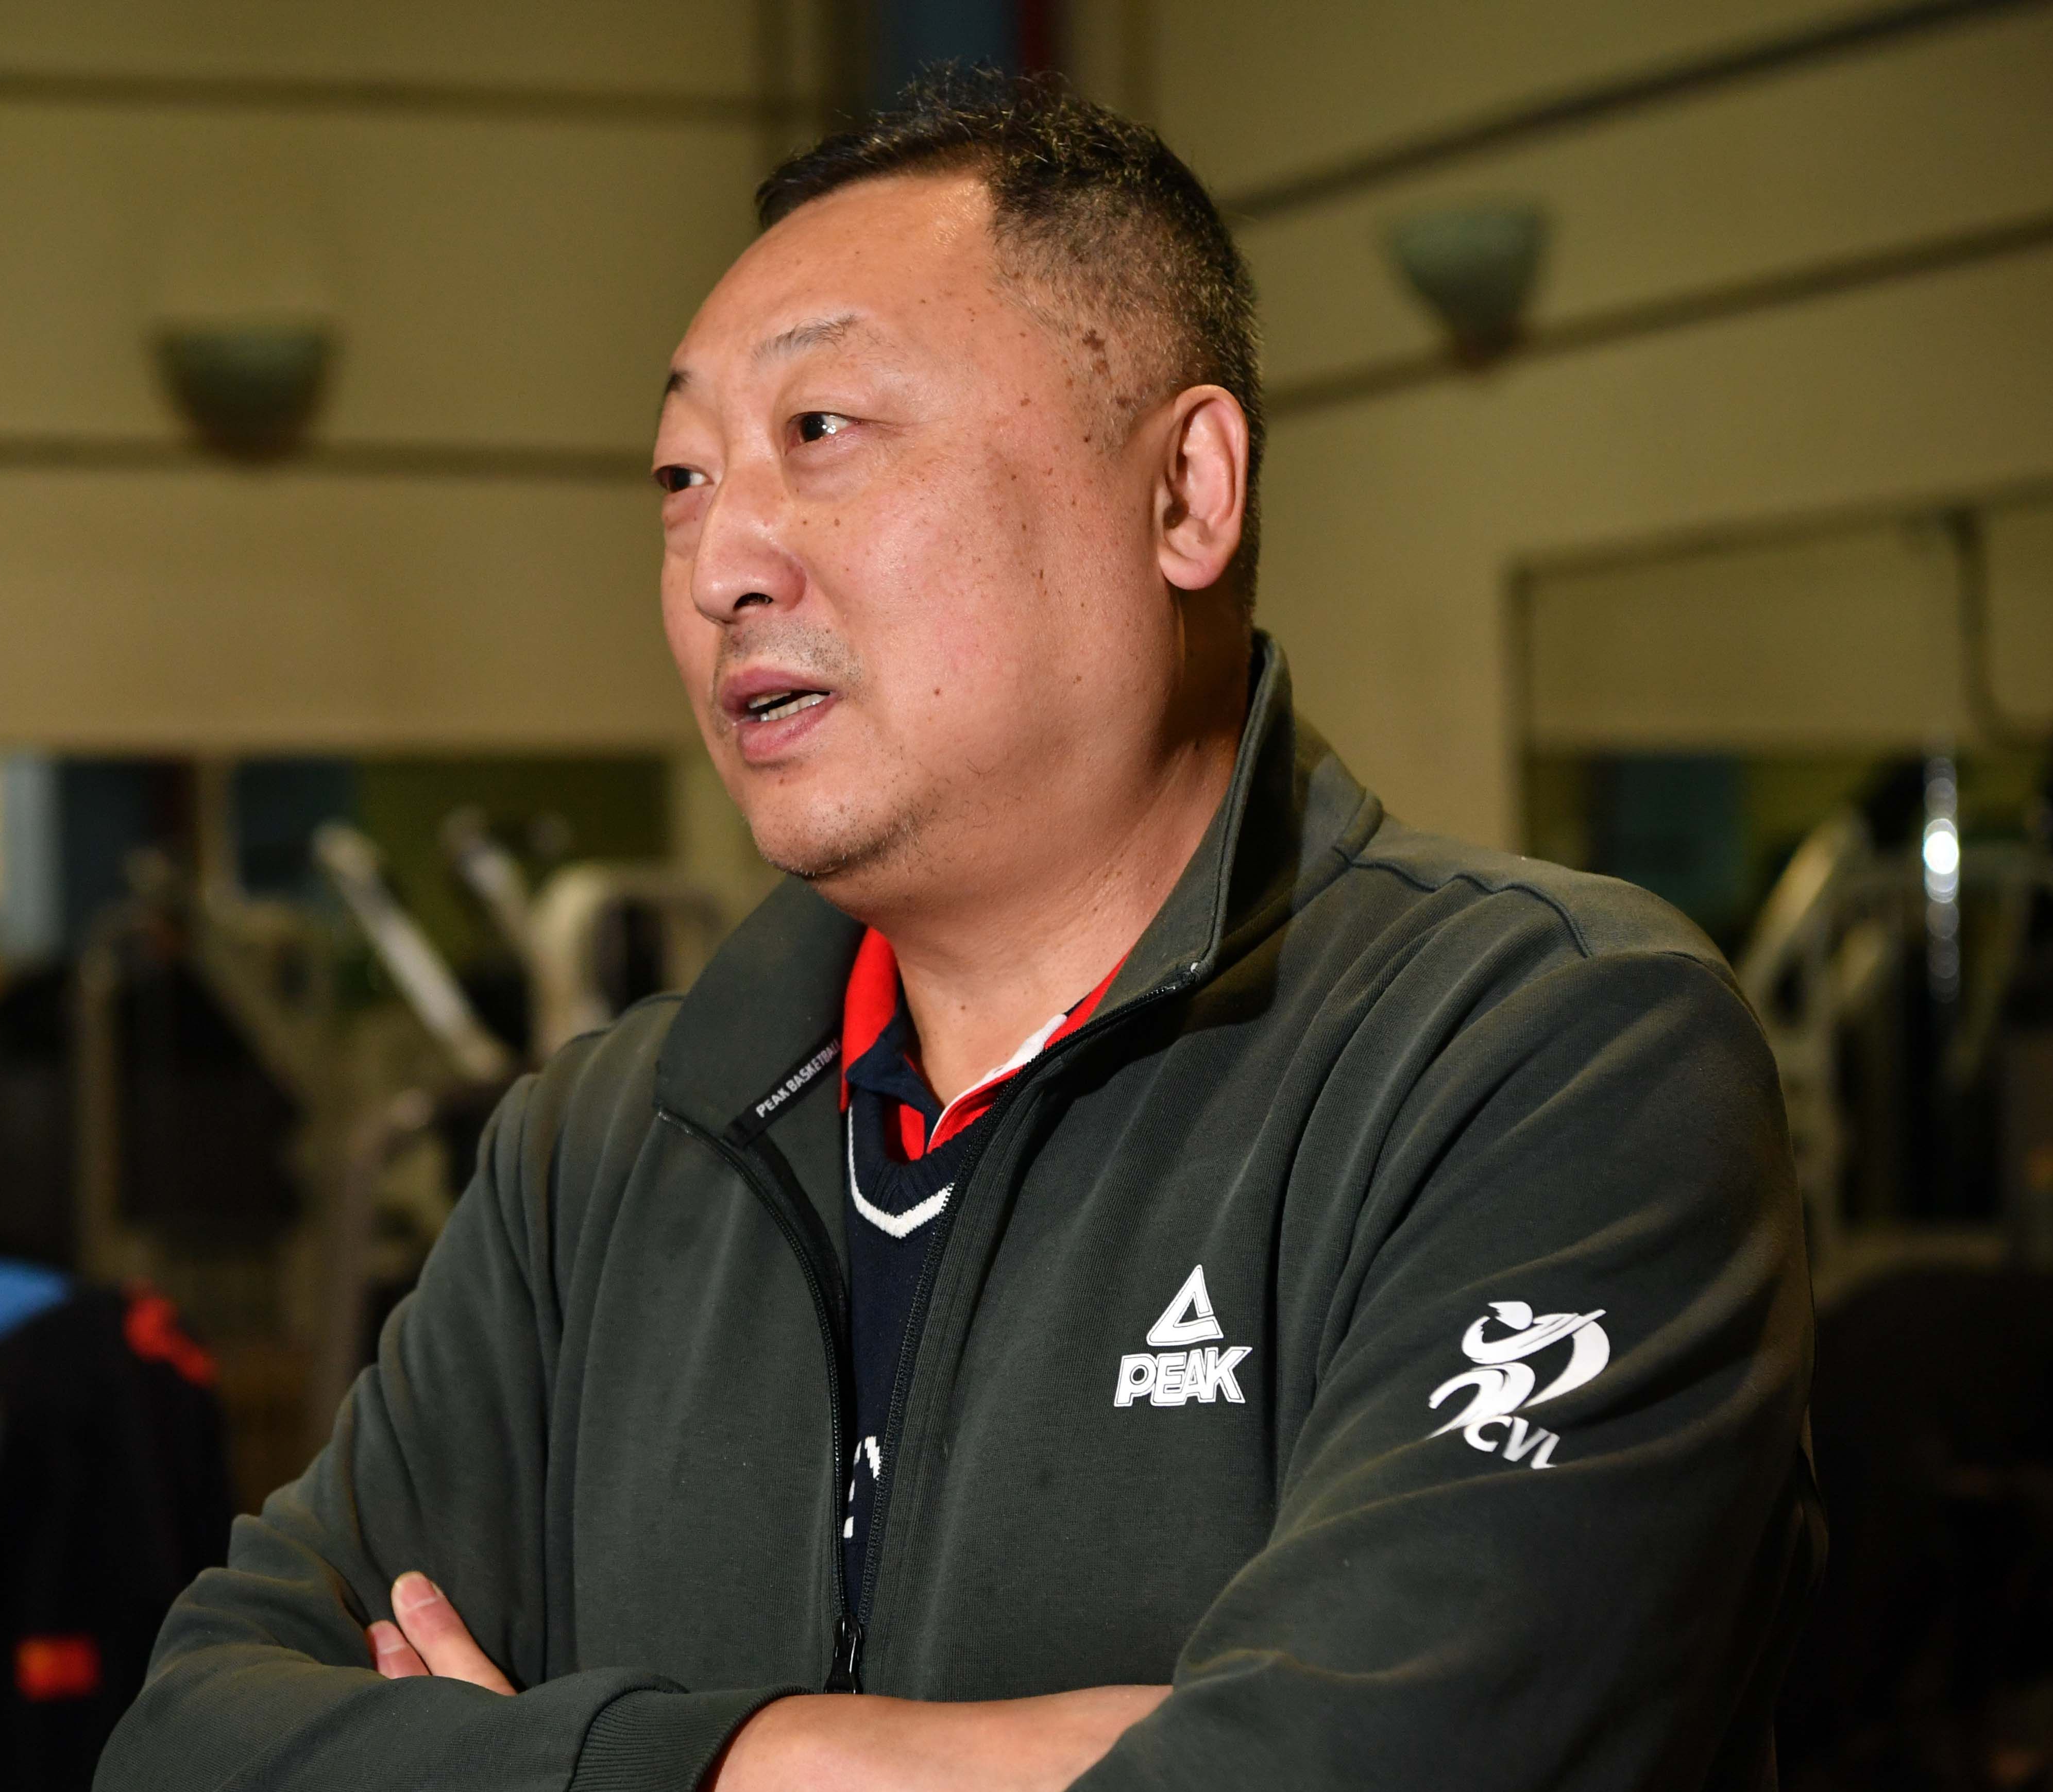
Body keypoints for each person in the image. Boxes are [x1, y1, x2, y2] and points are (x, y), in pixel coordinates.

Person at [98, 73, 1821, 1792]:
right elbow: (186, 1741)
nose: (718, 564)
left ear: (1185, 493)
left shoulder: (1544, 1062)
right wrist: (780, 1762)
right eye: (682, 475)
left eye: (821, 432)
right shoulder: (598, 1158)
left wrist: (516, 1763)